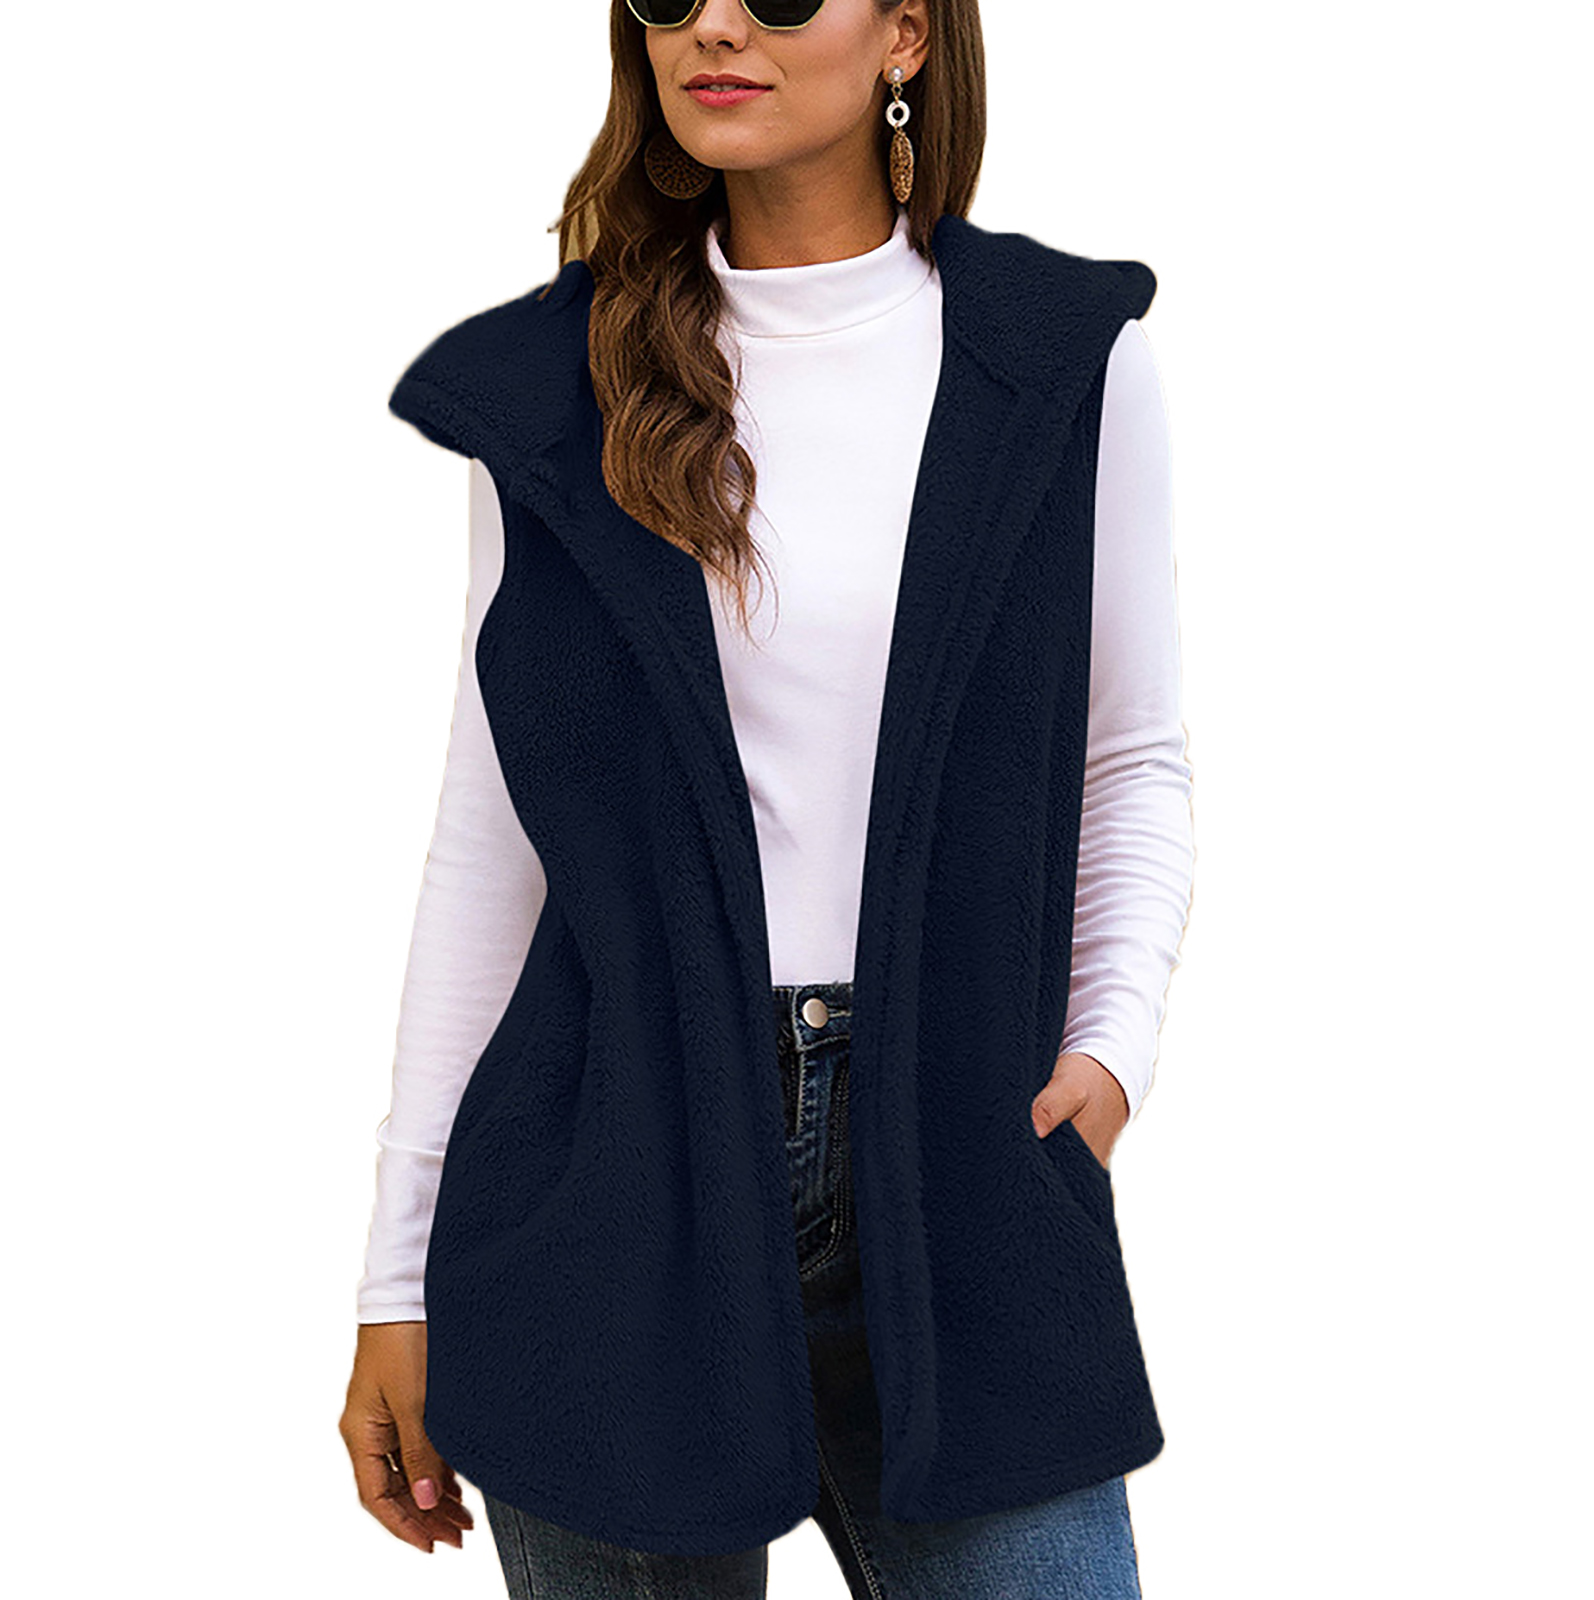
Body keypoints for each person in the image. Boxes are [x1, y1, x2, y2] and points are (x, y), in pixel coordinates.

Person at [339, 1, 1194, 1594]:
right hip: (608, 1174)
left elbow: (1129, 751)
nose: (715, 23)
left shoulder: (1060, 357)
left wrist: (1112, 1048)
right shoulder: (555, 387)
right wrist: (398, 1278)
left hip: (964, 1164)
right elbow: (492, 839)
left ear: (908, 35)